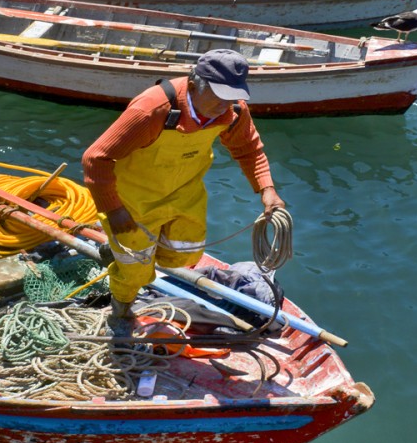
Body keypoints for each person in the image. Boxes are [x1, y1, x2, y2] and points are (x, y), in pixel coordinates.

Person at [82, 49, 285, 326]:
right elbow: (96, 158)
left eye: (231, 97)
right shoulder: (153, 109)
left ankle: (119, 256)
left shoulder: (233, 110)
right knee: (134, 269)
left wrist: (266, 188)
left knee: (185, 253)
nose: (224, 107)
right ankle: (121, 311)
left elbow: (248, 148)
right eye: (217, 98)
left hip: (184, 192)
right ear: (192, 85)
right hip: (133, 199)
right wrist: (114, 211)